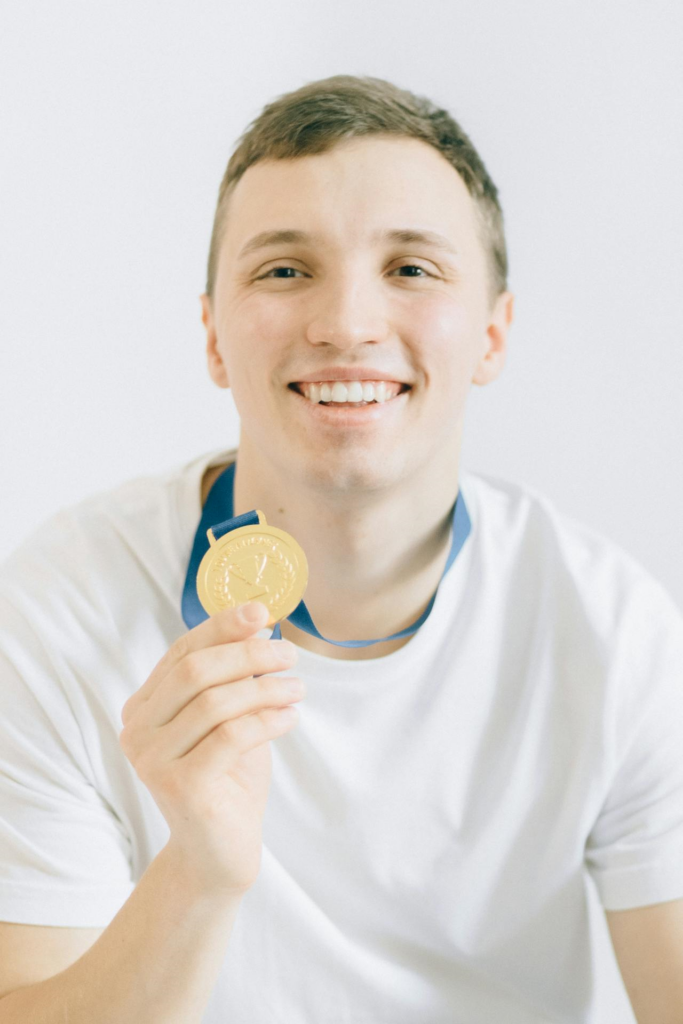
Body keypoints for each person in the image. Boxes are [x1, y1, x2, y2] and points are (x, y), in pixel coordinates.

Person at [0, 74, 681, 1024]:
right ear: (212, 337)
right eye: (284, 269)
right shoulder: (60, 613)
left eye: (411, 268)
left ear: (491, 334)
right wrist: (197, 875)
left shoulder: (615, 634)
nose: (347, 325)